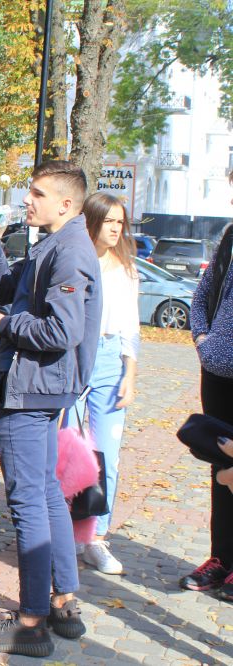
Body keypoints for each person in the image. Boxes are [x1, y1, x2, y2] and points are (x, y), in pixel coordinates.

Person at [0, 160, 101, 658]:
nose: (28, 200)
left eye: (38, 193)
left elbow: (62, 333)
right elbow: (10, 290)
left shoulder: (69, 253)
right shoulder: (54, 244)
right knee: (44, 495)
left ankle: (31, 621)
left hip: (31, 390)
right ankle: (63, 602)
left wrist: (4, 328)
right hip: (38, 389)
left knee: (28, 502)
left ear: (66, 203)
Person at [63, 192, 139, 574]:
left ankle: (97, 537)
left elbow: (131, 324)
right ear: (92, 221)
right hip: (75, 356)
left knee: (107, 450)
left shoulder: (125, 267)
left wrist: (130, 372)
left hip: (109, 358)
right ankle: (69, 531)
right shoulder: (76, 260)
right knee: (72, 450)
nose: (115, 229)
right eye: (109, 221)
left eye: (120, 222)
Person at [182, 173, 233, 600]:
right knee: (222, 469)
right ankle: (222, 558)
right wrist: (203, 340)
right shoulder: (229, 236)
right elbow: (202, 296)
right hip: (217, 375)